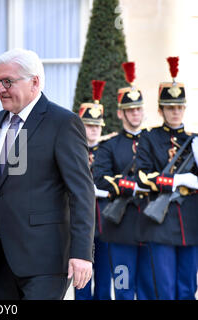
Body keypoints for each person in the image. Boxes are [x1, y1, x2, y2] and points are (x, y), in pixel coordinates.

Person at [0, 48, 95, 300]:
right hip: (1, 258)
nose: (0, 88)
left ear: (34, 82)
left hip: (45, 260)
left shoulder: (63, 123)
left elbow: (81, 192)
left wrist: (82, 253)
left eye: (8, 81)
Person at [135, 57, 198, 299]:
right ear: (161, 110)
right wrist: (176, 181)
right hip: (160, 223)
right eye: (170, 107)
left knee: (187, 288)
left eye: (179, 107)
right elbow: (142, 176)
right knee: (164, 288)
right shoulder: (149, 139)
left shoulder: (193, 140)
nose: (175, 112)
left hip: (191, 223)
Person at [93, 62, 151, 300]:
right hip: (120, 228)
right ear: (120, 113)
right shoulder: (110, 145)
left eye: (138, 109)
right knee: (124, 288)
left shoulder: (154, 140)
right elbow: (101, 178)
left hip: (151, 226)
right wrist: (132, 186)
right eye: (130, 110)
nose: (135, 113)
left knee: (149, 289)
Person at [74, 80, 112, 300]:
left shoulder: (108, 150)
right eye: (89, 125)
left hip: (106, 224)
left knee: (104, 282)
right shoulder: (74, 151)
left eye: (97, 125)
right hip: (81, 226)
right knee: (81, 283)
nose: (94, 129)